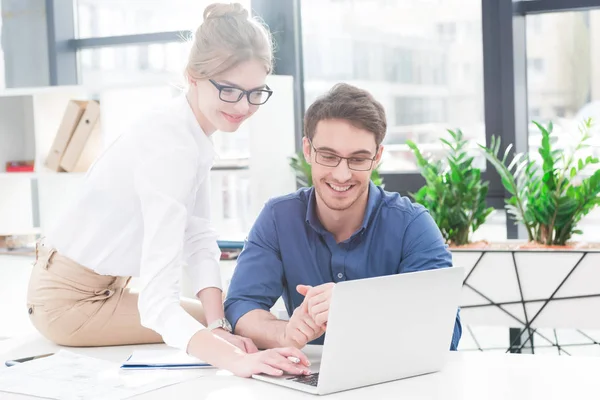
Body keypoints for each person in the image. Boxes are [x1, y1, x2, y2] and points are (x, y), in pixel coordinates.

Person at [26, 2, 311, 379]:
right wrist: (236, 360)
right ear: (193, 75)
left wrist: (216, 326)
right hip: (69, 302)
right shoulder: (170, 145)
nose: (243, 106)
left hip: (101, 290)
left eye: (255, 92)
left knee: (233, 327)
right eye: (229, 90)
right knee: (242, 335)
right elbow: (157, 305)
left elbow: (198, 236)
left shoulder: (192, 136)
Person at [224, 83, 462, 350]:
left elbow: (446, 331)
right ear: (308, 150)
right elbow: (241, 306)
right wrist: (285, 334)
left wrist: (358, 306)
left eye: (358, 159)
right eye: (328, 156)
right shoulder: (278, 218)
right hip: (310, 379)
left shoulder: (412, 225)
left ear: (378, 157)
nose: (341, 175)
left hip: (393, 383)